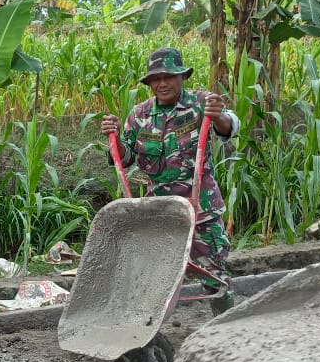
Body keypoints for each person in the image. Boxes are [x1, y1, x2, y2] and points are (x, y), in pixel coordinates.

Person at [100, 47, 240, 314]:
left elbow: (228, 125)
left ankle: (226, 328)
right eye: (156, 79)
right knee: (152, 277)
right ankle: (147, 334)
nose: (162, 83)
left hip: (200, 208)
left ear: (181, 77)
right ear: (150, 82)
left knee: (214, 273)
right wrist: (115, 139)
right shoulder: (139, 115)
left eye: (168, 77)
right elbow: (126, 156)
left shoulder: (201, 103)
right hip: (160, 210)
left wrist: (219, 115)